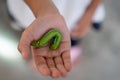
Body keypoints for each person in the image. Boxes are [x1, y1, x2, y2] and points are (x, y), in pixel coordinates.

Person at [7, 0, 105, 78]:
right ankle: (72, 46)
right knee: (33, 30)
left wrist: (91, 11)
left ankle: (73, 45)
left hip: (80, 10)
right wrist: (46, 11)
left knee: (74, 32)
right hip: (33, 7)